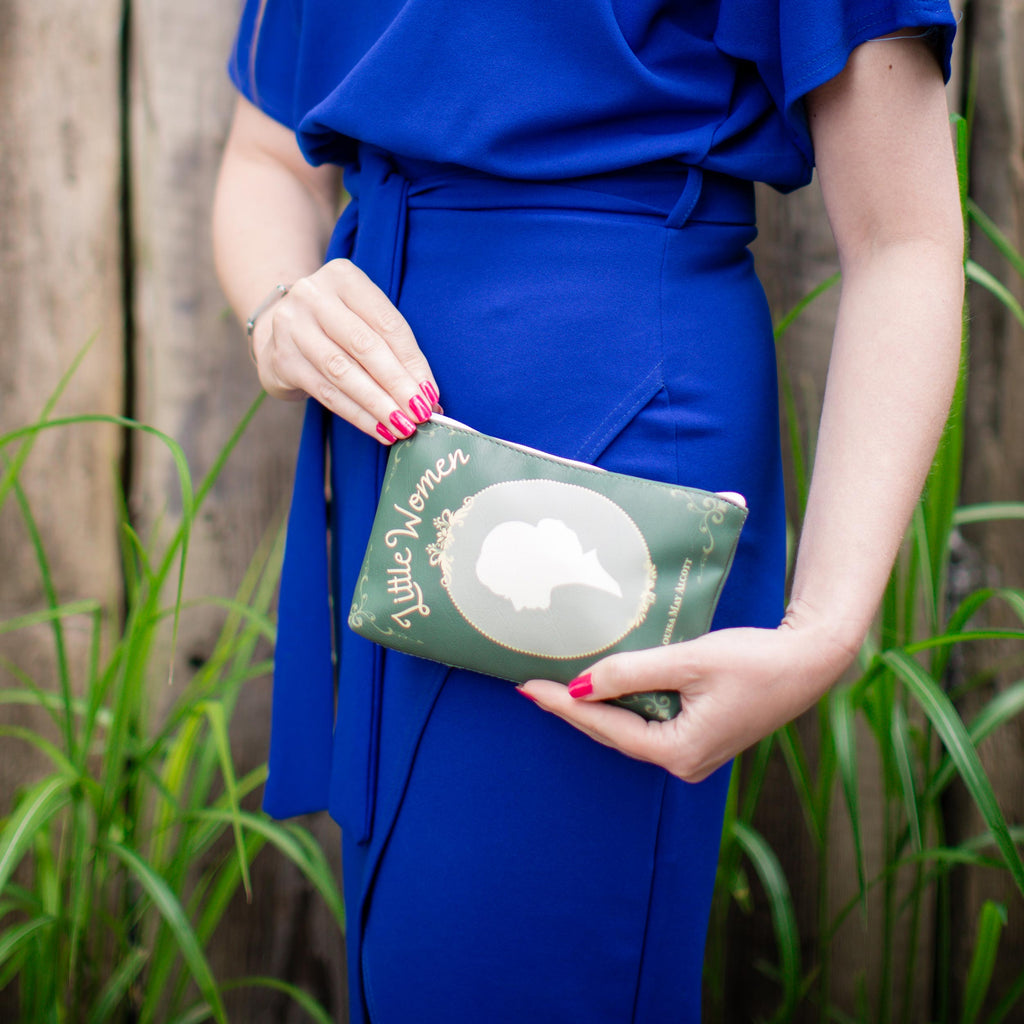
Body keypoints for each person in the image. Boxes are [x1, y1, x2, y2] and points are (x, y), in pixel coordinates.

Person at [212, 2, 963, 1021]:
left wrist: (825, 629)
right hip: (390, 465)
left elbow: (904, 237)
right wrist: (278, 306)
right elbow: (269, 154)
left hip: (604, 464)